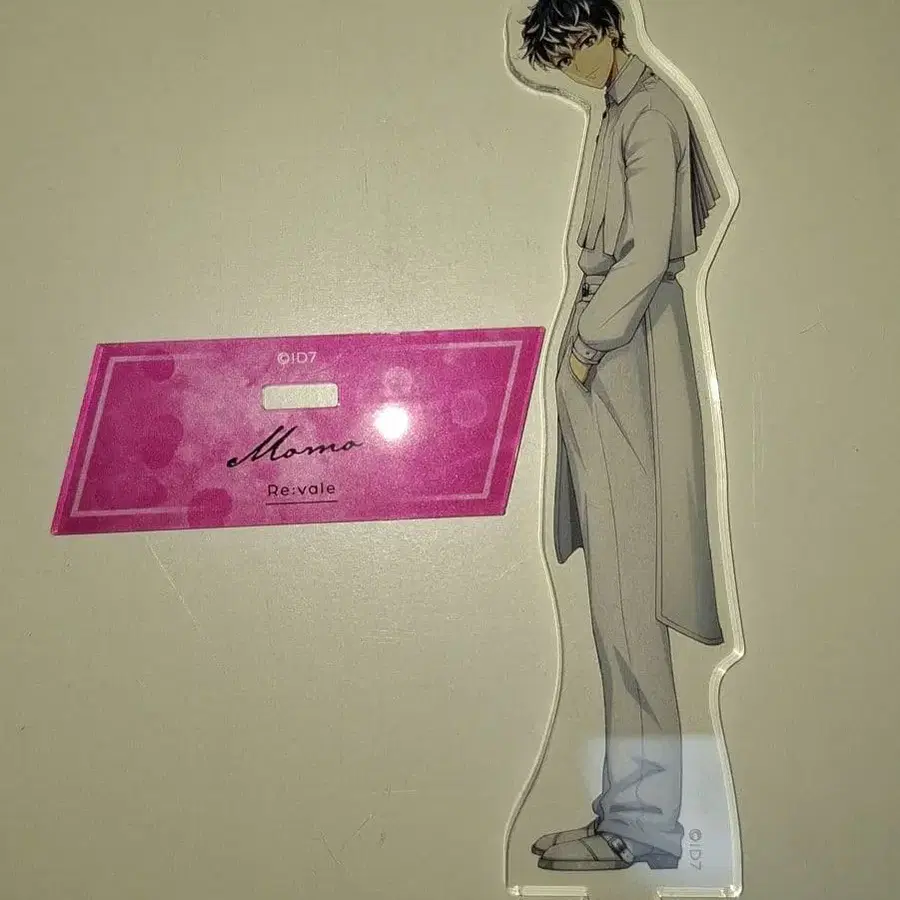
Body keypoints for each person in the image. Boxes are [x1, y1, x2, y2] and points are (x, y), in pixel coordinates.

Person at [520, 0, 725, 873]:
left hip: (623, 354)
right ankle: (630, 815)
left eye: (575, 49)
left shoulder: (649, 111)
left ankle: (643, 828)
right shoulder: (625, 108)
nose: (571, 67)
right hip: (616, 350)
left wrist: (586, 348)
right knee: (616, 606)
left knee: (631, 606)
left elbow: (643, 255)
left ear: (606, 31)